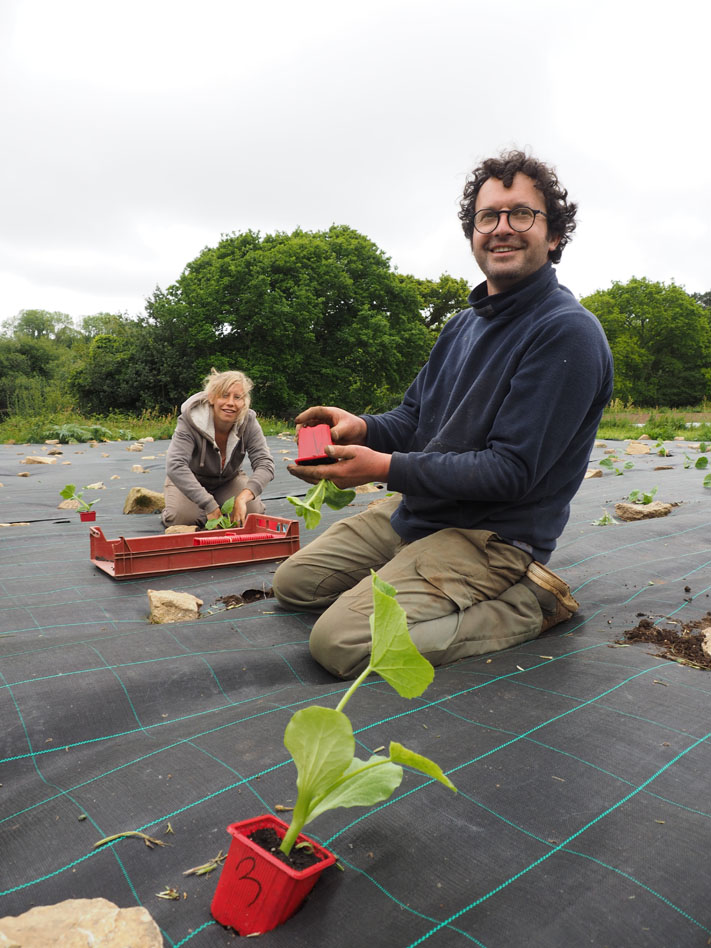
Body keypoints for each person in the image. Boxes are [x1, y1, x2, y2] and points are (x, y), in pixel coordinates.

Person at [272, 150, 614, 679]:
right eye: (487, 216)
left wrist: (383, 468)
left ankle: (527, 605)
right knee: (293, 587)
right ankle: (412, 573)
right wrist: (360, 428)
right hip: (425, 511)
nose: (502, 229)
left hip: (491, 535)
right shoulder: (463, 325)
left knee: (340, 643)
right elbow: (412, 419)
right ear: (473, 232)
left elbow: (511, 472)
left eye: (521, 214)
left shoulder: (566, 332)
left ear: (554, 236)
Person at [162, 369, 275, 529]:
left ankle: (221, 504)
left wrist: (243, 497)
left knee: (251, 515)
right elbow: (175, 465)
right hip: (192, 479)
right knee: (182, 518)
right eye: (224, 395)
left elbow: (265, 463)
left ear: (244, 402)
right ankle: (177, 501)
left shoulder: (248, 422)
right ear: (212, 397)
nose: (230, 403)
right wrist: (209, 504)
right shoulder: (190, 421)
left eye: (237, 397)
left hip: (228, 480)